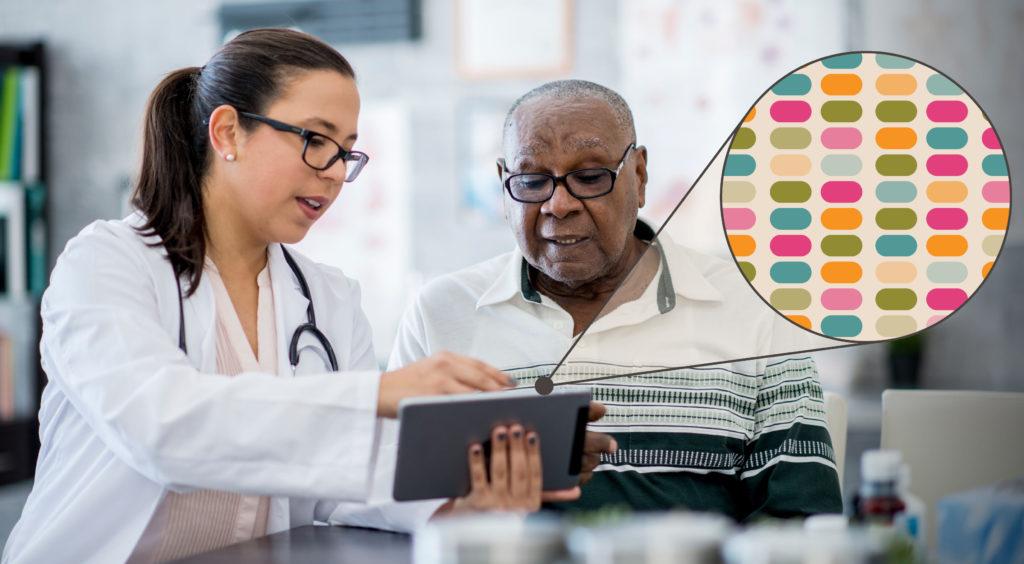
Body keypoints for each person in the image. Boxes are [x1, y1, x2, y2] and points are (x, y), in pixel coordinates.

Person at [2, 29, 575, 564]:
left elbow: (343, 485)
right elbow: (162, 430)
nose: (332, 172)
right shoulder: (106, 263)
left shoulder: (328, 297)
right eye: (314, 140)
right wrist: (375, 393)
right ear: (227, 132)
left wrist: (461, 496)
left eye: (346, 151)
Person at [383, 80, 843, 521]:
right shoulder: (441, 314)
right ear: (504, 186)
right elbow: (384, 501)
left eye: (588, 177)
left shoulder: (752, 313)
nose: (558, 204)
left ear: (639, 176)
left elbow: (800, 520)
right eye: (531, 180)